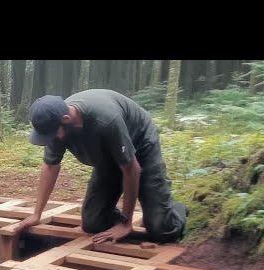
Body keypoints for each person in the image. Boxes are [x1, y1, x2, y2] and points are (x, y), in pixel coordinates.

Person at [13, 89, 187, 244]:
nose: (50, 139)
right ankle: (129, 218)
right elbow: (50, 166)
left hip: (141, 147)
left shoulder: (105, 120)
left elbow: (131, 169)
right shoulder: (55, 127)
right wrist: (37, 214)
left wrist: (127, 223)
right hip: (108, 158)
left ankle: (171, 208)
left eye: (51, 134)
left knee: (161, 228)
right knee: (93, 223)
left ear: (66, 119)